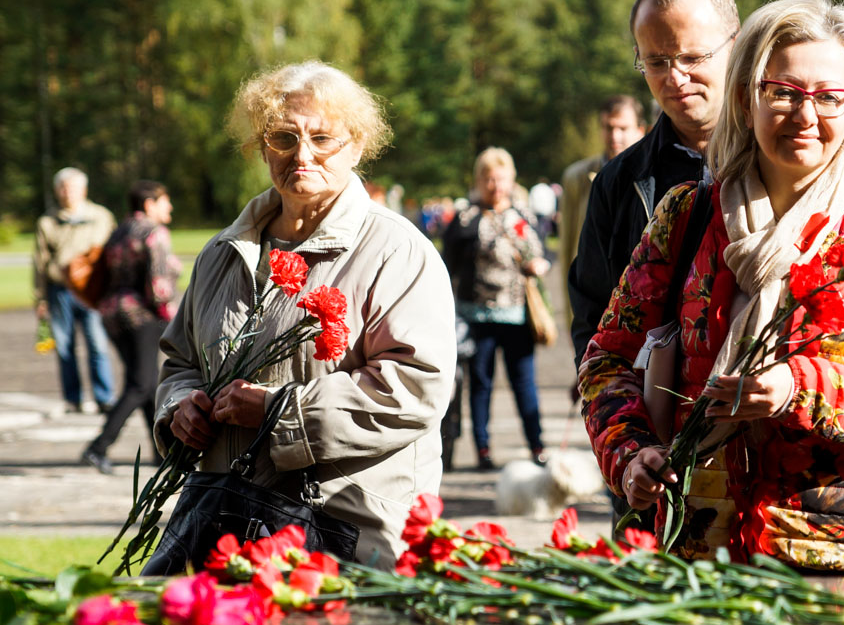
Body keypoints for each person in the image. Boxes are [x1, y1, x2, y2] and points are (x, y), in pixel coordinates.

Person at [579, 0, 844, 572]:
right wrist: (632, 454)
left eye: (830, 97)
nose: (807, 116)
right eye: (783, 93)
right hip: (701, 552)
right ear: (744, 97)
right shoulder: (685, 217)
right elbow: (606, 360)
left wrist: (799, 387)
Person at [156, 61, 457, 567]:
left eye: (323, 138)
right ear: (261, 144)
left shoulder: (396, 251)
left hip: (338, 534)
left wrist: (279, 413)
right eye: (283, 137)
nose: (302, 154)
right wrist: (181, 406)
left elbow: (416, 385)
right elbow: (179, 361)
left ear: (358, 145)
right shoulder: (222, 252)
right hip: (224, 526)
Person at [568, 0, 740, 369]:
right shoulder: (619, 182)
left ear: (736, 46)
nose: (675, 78)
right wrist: (613, 417)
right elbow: (593, 317)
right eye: (656, 61)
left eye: (692, 57)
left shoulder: (794, 158)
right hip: (654, 422)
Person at [442, 147, 551, 470]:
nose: (495, 185)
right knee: (481, 384)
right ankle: (483, 449)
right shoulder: (465, 218)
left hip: (517, 314)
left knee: (524, 382)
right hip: (475, 315)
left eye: (501, 179)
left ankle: (536, 445)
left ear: (511, 179)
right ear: (479, 180)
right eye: (488, 178)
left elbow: (542, 251)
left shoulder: (523, 216)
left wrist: (540, 264)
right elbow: (448, 263)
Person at [81, 181, 180, 474]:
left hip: (111, 313)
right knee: (140, 384)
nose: (169, 207)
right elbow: (157, 284)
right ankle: (98, 447)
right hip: (141, 316)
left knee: (146, 383)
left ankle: (162, 453)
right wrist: (169, 315)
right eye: (165, 201)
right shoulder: (154, 232)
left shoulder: (119, 230)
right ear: (149, 204)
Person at [33, 168, 117, 414]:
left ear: (84, 190)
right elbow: (40, 263)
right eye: (63, 187)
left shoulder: (101, 216)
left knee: (97, 343)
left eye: (72, 187)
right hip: (59, 291)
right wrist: (40, 298)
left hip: (92, 290)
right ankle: (73, 398)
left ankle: (104, 397)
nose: (67, 192)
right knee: (64, 345)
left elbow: (113, 253)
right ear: (57, 190)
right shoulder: (47, 221)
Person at [559, 95, 647, 327]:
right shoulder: (576, 178)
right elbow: (568, 249)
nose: (614, 136)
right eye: (608, 127)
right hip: (595, 305)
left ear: (641, 130)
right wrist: (574, 319)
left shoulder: (656, 175)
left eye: (622, 128)